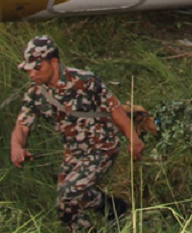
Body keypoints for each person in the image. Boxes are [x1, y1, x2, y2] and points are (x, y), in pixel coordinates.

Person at [10, 35, 143, 232]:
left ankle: (112, 208)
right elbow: (22, 125)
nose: (32, 74)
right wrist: (16, 146)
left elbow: (114, 108)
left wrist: (133, 138)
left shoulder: (84, 80)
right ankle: (111, 209)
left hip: (102, 146)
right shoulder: (35, 93)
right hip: (73, 152)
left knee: (69, 192)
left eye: (37, 67)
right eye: (28, 69)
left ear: (53, 62)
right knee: (65, 209)